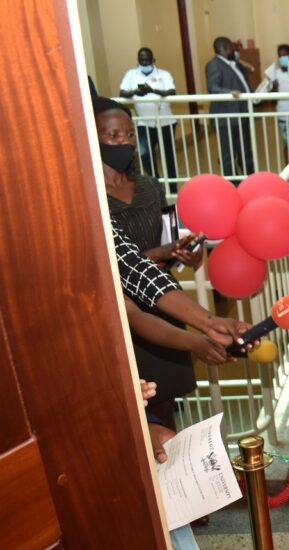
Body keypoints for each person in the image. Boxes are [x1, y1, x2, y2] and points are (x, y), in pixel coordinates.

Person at [95, 96, 206, 426]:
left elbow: (166, 244)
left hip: (164, 306)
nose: (124, 142)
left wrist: (186, 253)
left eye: (129, 135)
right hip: (124, 316)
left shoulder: (150, 187)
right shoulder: (89, 198)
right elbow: (107, 265)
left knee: (166, 411)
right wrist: (157, 255)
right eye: (113, 135)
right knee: (137, 412)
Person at [119, 47, 177, 190]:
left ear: (153, 60)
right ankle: (155, 184)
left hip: (165, 122)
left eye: (147, 60)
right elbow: (122, 92)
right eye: (141, 60)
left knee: (168, 155)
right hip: (144, 123)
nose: (144, 63)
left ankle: (173, 187)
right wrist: (136, 92)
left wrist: (153, 90)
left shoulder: (164, 74)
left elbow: (171, 91)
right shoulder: (131, 74)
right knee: (145, 155)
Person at [205, 36, 254, 179]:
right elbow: (212, 87)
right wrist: (228, 93)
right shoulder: (214, 65)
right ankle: (232, 183)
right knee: (228, 153)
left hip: (241, 114)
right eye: (232, 47)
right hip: (226, 116)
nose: (235, 50)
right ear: (224, 48)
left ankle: (249, 179)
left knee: (245, 151)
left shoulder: (235, 64)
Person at [265, 44, 289, 155]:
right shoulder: (276, 74)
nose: (282, 58)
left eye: (285, 55)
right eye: (280, 56)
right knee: (288, 144)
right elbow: (270, 96)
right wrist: (274, 87)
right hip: (284, 113)